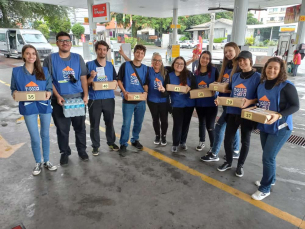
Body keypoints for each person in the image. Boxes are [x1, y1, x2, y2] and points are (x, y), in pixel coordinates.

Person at [252, 57, 299, 200]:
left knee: (268, 157)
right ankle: (270, 179)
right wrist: (256, 108)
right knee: (268, 157)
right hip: (265, 125)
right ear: (265, 68)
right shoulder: (262, 85)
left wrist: (279, 115)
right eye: (269, 67)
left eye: (275, 68)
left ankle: (265, 188)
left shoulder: (287, 86)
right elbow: (262, 103)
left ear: (280, 71)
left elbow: (295, 106)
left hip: (281, 127)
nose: (272, 70)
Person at [43, 31, 89, 165]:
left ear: (70, 43)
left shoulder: (77, 58)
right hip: (60, 101)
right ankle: (64, 152)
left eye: (67, 41)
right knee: (62, 130)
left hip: (78, 100)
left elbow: (83, 78)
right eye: (62, 40)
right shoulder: (50, 59)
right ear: (57, 43)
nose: (65, 43)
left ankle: (82, 151)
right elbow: (48, 80)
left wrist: (86, 95)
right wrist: (57, 96)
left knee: (80, 128)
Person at [11, 45, 57, 175]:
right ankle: (38, 162)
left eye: (33, 54)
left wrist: (48, 93)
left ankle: (47, 161)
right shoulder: (17, 72)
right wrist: (14, 93)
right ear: (23, 55)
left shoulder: (44, 71)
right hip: (28, 107)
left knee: (45, 135)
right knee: (35, 137)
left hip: (44, 106)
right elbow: (13, 89)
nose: (31, 56)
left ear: (36, 56)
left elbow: (49, 87)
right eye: (28, 53)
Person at [217, 51, 261, 177]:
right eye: (239, 61)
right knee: (228, 139)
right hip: (233, 111)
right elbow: (231, 91)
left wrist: (250, 102)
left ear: (250, 61)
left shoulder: (258, 77)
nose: (242, 63)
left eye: (244, 60)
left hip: (247, 113)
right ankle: (229, 161)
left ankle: (240, 165)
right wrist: (219, 98)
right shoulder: (235, 76)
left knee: (245, 141)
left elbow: (261, 97)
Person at [201, 42, 240, 162]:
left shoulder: (238, 68)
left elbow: (238, 88)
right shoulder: (227, 66)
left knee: (219, 127)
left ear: (236, 50)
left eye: (230, 51)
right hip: (224, 101)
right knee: (232, 126)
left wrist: (225, 89)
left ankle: (214, 153)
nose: (228, 54)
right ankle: (236, 150)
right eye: (225, 52)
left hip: (231, 103)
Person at [86, 40, 119, 156]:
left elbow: (115, 80)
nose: (102, 51)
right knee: (94, 124)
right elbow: (85, 83)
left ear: (107, 51)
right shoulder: (90, 65)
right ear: (96, 50)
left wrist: (115, 82)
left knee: (109, 122)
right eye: (99, 49)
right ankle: (95, 146)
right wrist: (91, 77)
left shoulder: (110, 65)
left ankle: (111, 142)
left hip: (109, 99)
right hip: (95, 99)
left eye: (104, 49)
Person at [117, 44, 148, 157]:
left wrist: (146, 93)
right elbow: (119, 80)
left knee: (138, 123)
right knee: (126, 123)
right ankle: (123, 144)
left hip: (140, 101)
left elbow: (146, 84)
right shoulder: (125, 66)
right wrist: (124, 91)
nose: (139, 55)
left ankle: (135, 140)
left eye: (142, 53)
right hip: (128, 100)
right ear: (134, 53)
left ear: (144, 55)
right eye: (137, 52)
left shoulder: (145, 68)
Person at [164, 56, 196, 156]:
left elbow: (195, 88)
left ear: (184, 66)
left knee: (186, 124)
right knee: (177, 124)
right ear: (173, 64)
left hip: (189, 104)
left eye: (181, 64)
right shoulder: (169, 75)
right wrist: (168, 103)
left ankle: (183, 142)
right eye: (177, 63)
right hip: (176, 104)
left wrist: (189, 88)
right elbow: (167, 91)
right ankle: (175, 143)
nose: (179, 65)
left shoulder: (189, 74)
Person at [193, 51, 219, 154]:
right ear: (200, 58)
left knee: (210, 125)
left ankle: (213, 145)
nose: (205, 60)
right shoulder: (196, 73)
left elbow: (219, 84)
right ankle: (202, 141)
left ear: (209, 60)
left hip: (211, 103)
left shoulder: (214, 70)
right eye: (203, 57)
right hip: (200, 103)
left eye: (207, 58)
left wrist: (215, 90)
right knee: (201, 123)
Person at [143, 53, 169, 146]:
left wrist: (163, 90)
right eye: (155, 60)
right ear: (152, 61)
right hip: (152, 100)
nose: (157, 62)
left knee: (164, 120)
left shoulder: (166, 72)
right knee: (155, 119)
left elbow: (180, 65)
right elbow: (134, 64)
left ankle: (164, 136)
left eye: (159, 60)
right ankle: (157, 135)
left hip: (163, 100)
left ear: (162, 62)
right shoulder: (148, 70)